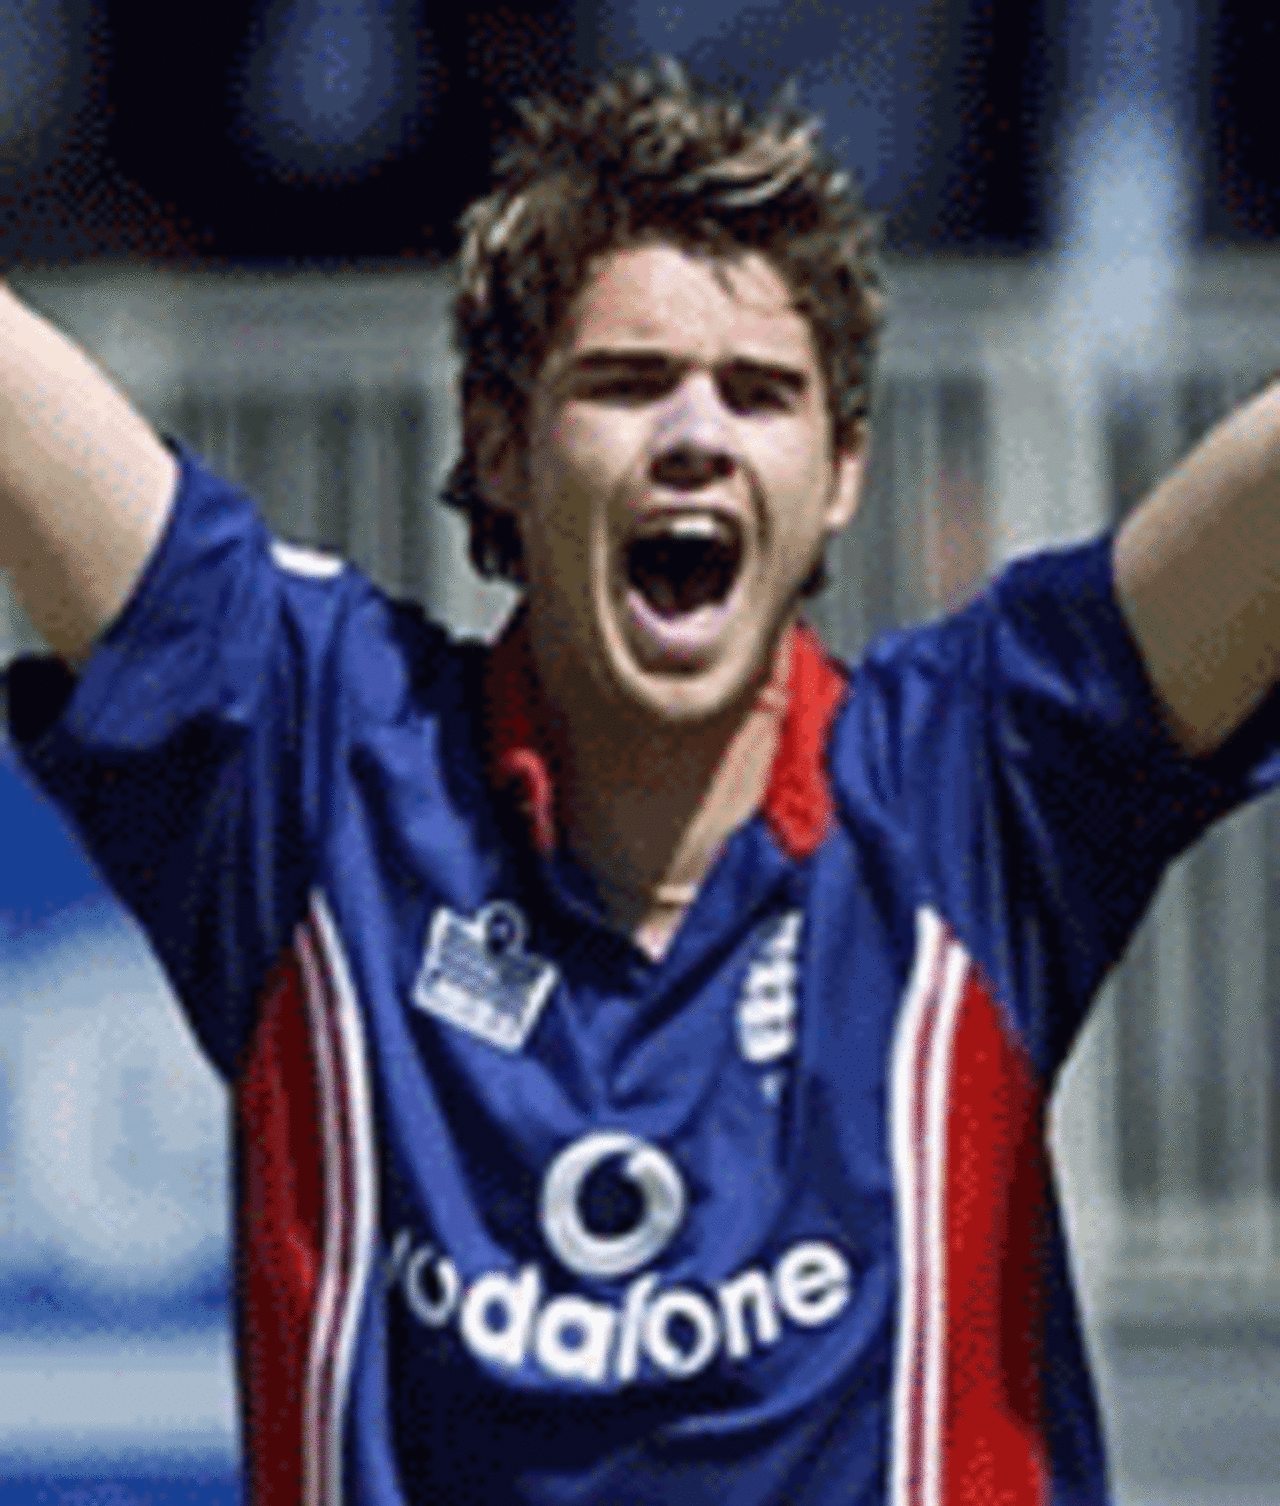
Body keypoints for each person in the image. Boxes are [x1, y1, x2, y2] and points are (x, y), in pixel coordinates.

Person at [2, 56, 1279, 1506]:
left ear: (842, 470)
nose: (696, 435)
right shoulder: (317, 765)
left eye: (762, 394)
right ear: (497, 443)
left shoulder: (971, 783)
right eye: (623, 383)